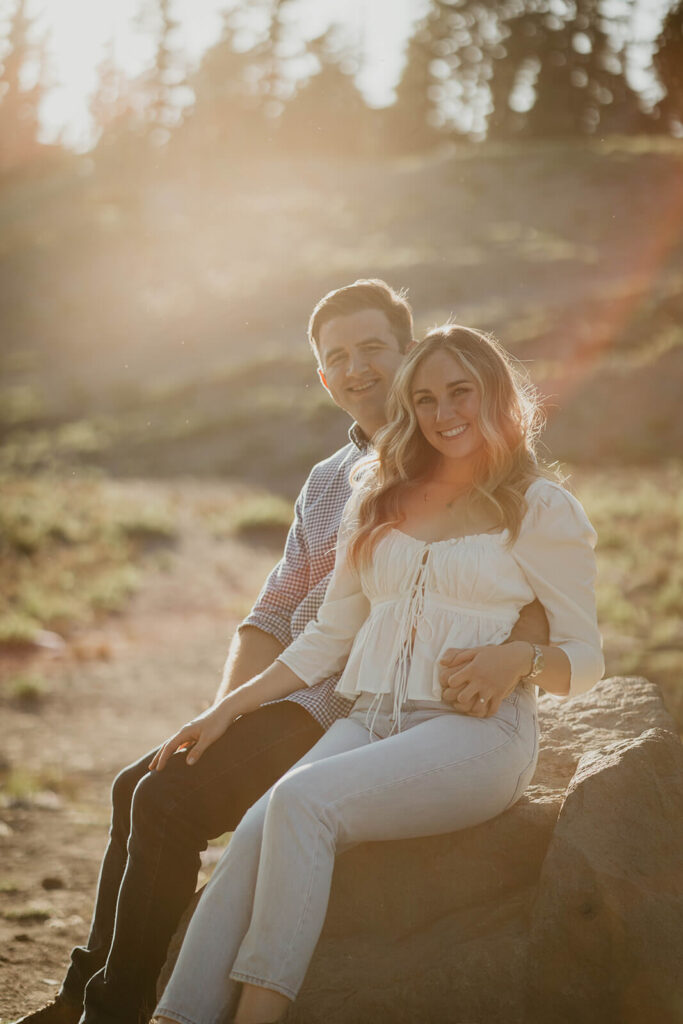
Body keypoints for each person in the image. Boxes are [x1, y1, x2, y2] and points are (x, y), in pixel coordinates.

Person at [13, 282, 548, 1024]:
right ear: (324, 380)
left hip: (339, 706)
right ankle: (81, 994)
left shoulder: (449, 467)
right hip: (281, 691)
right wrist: (224, 713)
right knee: (140, 780)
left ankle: (115, 1009)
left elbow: (528, 593)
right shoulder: (328, 478)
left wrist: (518, 652)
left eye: (372, 349)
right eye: (337, 359)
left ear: (409, 352)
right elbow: (272, 609)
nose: (357, 369)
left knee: (163, 801)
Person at [152, 324, 604, 1024]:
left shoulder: (542, 507)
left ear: (497, 395)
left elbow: (585, 661)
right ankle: (176, 1017)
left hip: (476, 734)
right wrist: (225, 710)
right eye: (425, 399)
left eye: (461, 392)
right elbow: (327, 637)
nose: (444, 412)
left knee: (304, 804)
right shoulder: (380, 496)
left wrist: (521, 657)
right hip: (369, 719)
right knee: (255, 828)